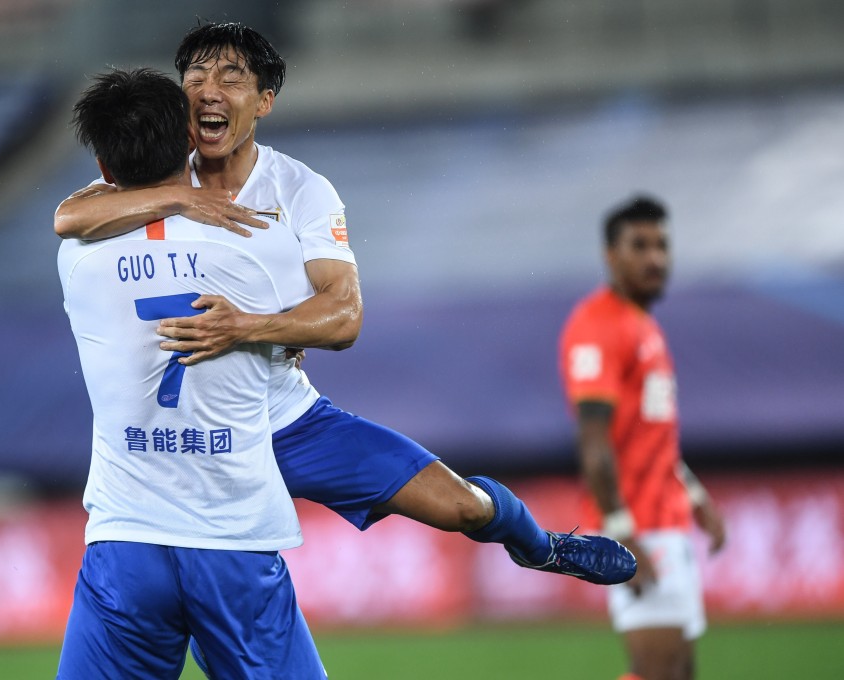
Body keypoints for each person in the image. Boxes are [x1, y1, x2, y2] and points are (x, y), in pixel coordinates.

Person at [55, 22, 635, 593]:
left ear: (264, 102)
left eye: (231, 77)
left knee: (459, 506)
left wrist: (250, 328)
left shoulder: (300, 191)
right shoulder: (153, 169)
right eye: (196, 75)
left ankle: (542, 546)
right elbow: (68, 217)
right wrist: (180, 195)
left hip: (283, 419)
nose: (209, 89)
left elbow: (344, 316)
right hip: (190, 437)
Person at [55, 68, 327, 679]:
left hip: (126, 538)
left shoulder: (76, 257)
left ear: (101, 162)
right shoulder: (260, 243)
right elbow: (324, 328)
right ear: (189, 139)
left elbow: (74, 213)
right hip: (230, 535)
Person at [559, 195, 727, 680]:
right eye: (640, 245)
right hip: (640, 526)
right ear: (610, 255)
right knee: (660, 671)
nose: (655, 258)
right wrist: (621, 532)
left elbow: (653, 440)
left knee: (677, 671)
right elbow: (593, 439)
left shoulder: (643, 325)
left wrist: (695, 496)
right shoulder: (597, 325)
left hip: (665, 520)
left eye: (661, 245)